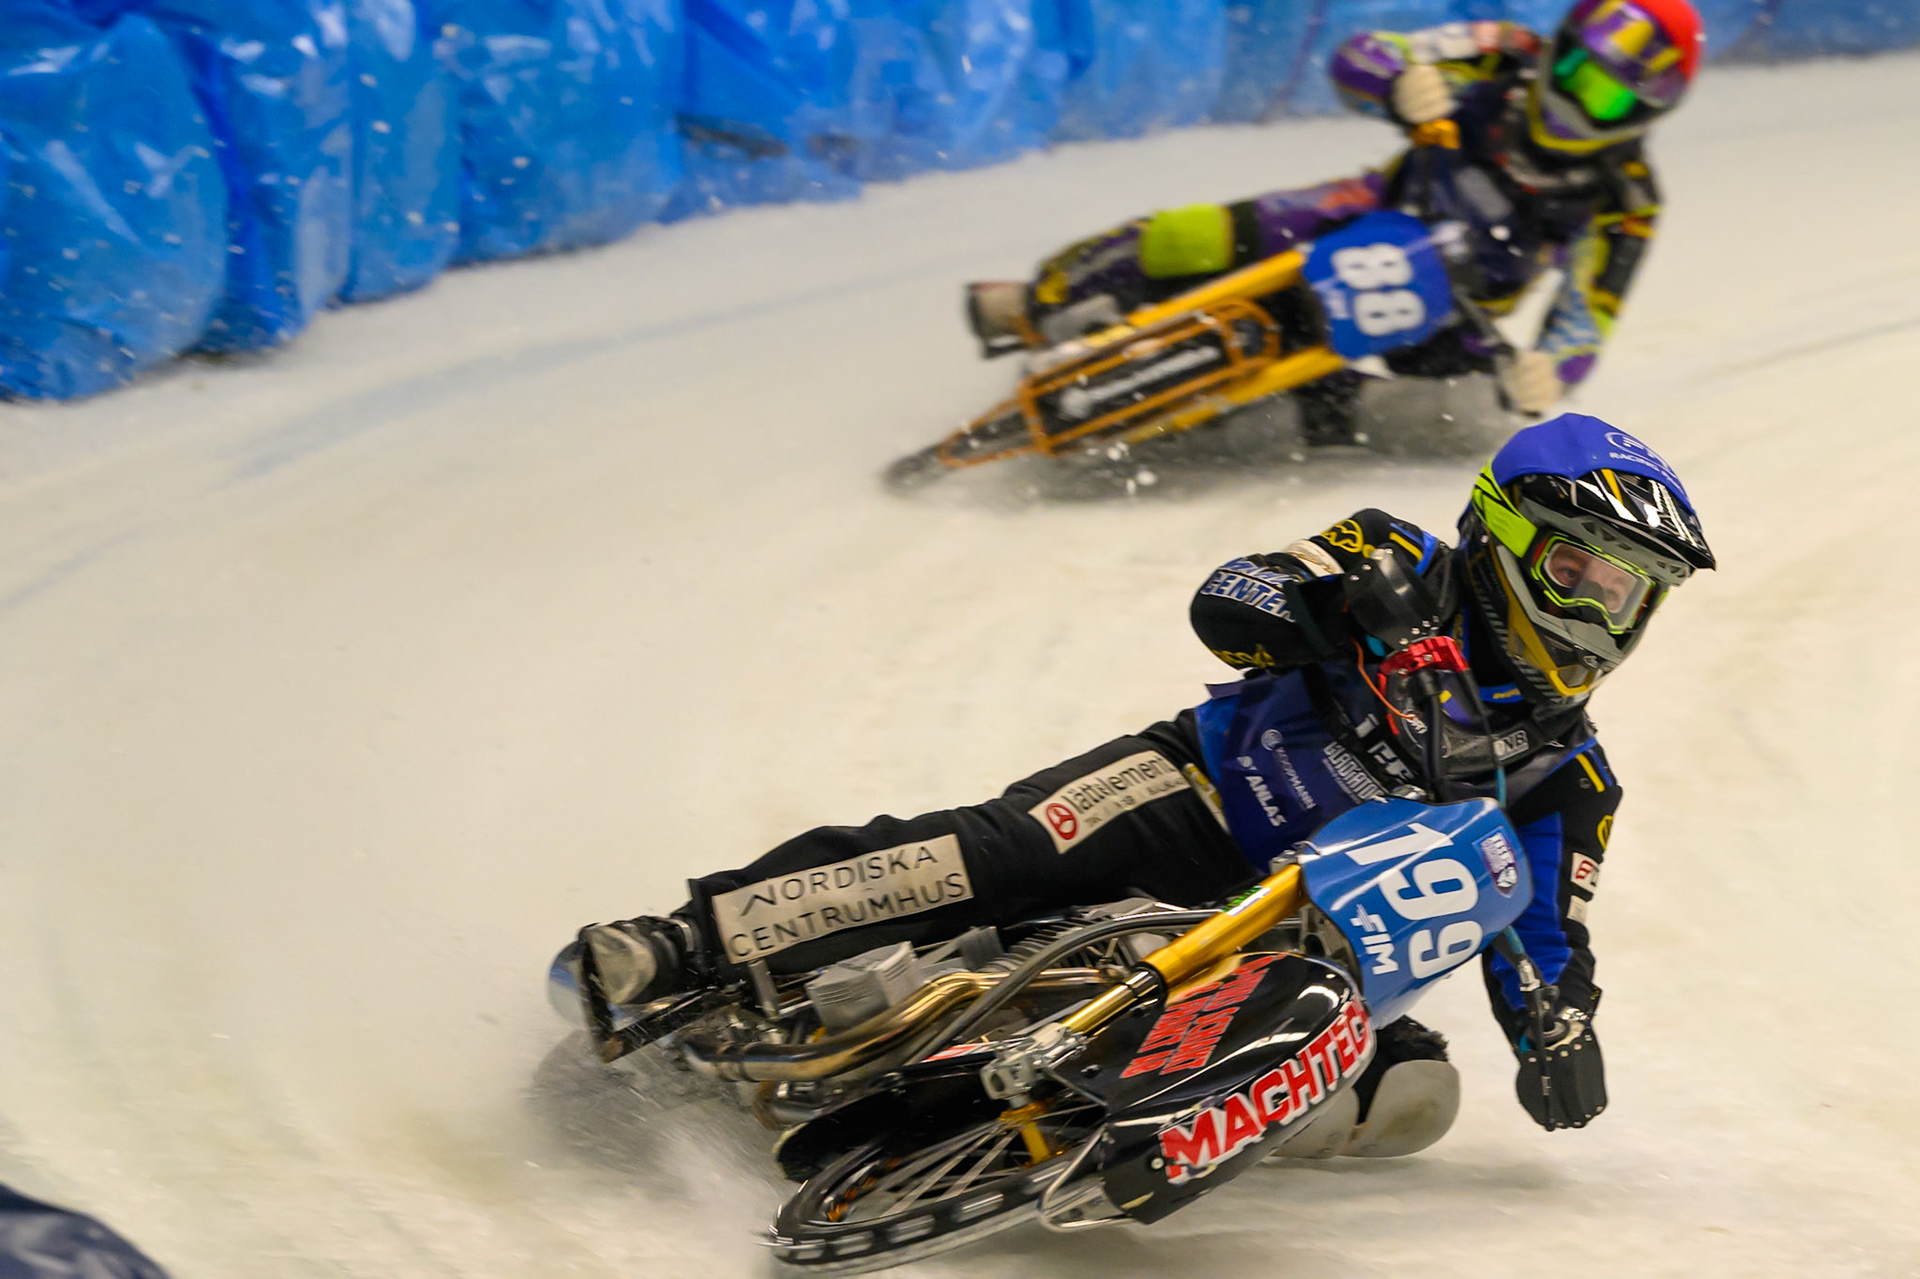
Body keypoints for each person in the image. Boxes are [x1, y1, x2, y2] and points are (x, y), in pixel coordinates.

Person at [573, 412, 1714, 1143]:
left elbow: (1550, 936)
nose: (1601, 615)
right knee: (1000, 852)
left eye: (1628, 595)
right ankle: (686, 941)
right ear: (1503, 533)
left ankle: (1014, 1123)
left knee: (1411, 1100)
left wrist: (1555, 1027)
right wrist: (1333, 607)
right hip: (1201, 794)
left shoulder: (1576, 778)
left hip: (1300, 940)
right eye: (1581, 572)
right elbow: (1230, 599)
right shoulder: (1398, 557)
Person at [965, 0, 1703, 440]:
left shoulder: (1629, 200)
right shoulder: (1504, 52)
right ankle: (1036, 302)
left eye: (1604, 98)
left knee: (1477, 419)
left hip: (1457, 307)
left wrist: (1551, 371)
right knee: (1196, 235)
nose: (1575, 99)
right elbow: (1366, 54)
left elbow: (1587, 318)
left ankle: (1264, 426)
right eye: (1574, 71)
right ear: (1559, 51)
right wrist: (1398, 80)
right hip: (1371, 208)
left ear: (1645, 112)